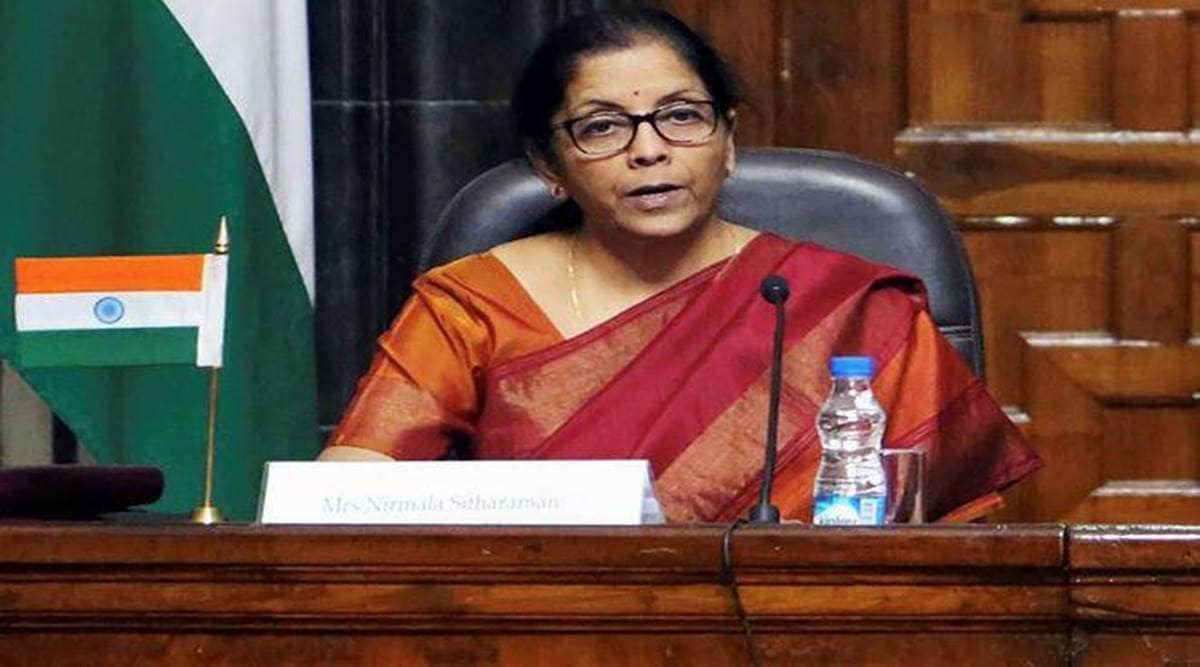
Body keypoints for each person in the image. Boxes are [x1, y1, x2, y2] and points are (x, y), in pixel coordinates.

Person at [320, 8, 1041, 522]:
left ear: (728, 142)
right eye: (602, 126)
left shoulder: (843, 305)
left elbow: (952, 532)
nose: (649, 150)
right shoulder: (475, 302)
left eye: (682, 116)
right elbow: (348, 492)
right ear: (549, 166)